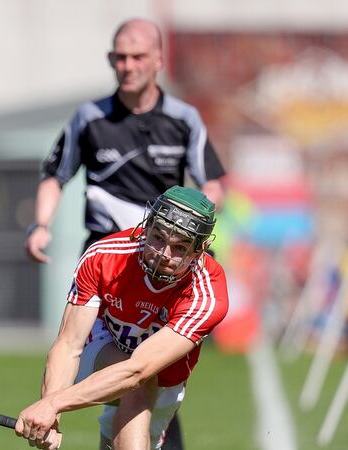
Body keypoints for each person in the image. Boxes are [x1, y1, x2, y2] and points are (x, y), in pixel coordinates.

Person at [23, 18, 226, 449]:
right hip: (114, 269)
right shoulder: (90, 118)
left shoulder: (184, 119)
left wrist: (192, 229)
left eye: (137, 56)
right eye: (120, 56)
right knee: (128, 378)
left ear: (158, 61)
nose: (128, 65)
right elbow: (55, 173)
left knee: (144, 384)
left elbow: (211, 186)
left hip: (169, 288)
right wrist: (41, 225)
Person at [15, 186, 229, 450]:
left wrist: (53, 404)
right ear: (146, 225)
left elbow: (138, 370)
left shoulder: (207, 294)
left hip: (161, 377)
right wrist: (50, 417)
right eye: (158, 238)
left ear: (199, 251)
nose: (163, 254)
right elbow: (69, 345)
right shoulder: (104, 255)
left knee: (141, 383)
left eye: (180, 247)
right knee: (139, 384)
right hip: (104, 344)